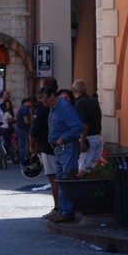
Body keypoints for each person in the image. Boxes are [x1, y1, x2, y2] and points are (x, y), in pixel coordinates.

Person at [37, 85, 83, 223]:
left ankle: (68, 211)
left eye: (46, 101)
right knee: (61, 180)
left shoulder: (64, 107)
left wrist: (63, 138)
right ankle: (64, 210)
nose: (45, 104)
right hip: (59, 148)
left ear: (52, 96)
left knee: (66, 179)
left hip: (66, 146)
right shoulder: (53, 108)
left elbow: (78, 126)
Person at [30, 78, 60, 219]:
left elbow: (35, 128)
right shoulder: (62, 103)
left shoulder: (42, 107)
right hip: (61, 144)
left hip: (48, 146)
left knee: (53, 177)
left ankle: (58, 207)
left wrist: (31, 145)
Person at [72, 79, 103, 170]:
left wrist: (82, 142)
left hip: (88, 138)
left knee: (84, 167)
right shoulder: (93, 101)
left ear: (74, 90)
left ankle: (84, 184)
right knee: (96, 166)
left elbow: (84, 124)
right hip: (97, 136)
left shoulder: (79, 103)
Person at [15, 97, 34, 163]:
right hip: (22, 129)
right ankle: (23, 159)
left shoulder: (21, 108)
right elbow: (26, 121)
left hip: (19, 128)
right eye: (32, 103)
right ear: (29, 102)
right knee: (23, 145)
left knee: (21, 144)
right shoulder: (25, 109)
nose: (32, 105)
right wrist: (32, 123)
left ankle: (21, 158)